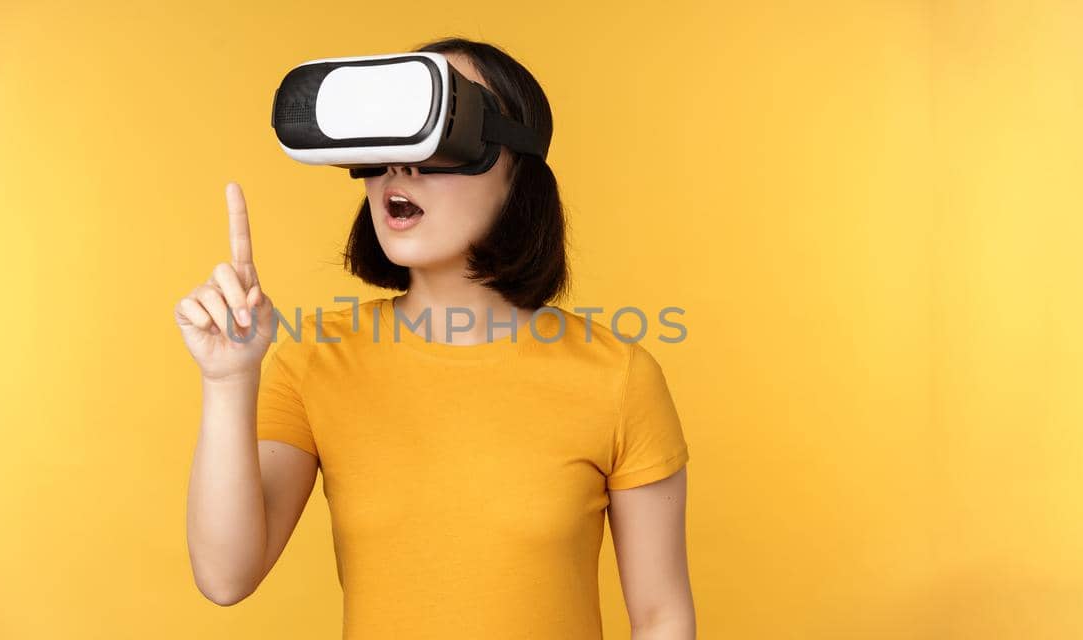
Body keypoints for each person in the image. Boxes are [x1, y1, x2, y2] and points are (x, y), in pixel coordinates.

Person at [178, 37, 695, 639]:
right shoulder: (316, 361)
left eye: (441, 132)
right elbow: (225, 577)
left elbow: (661, 617)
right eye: (388, 141)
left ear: (516, 169)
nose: (401, 167)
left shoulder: (618, 376)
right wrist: (227, 379)